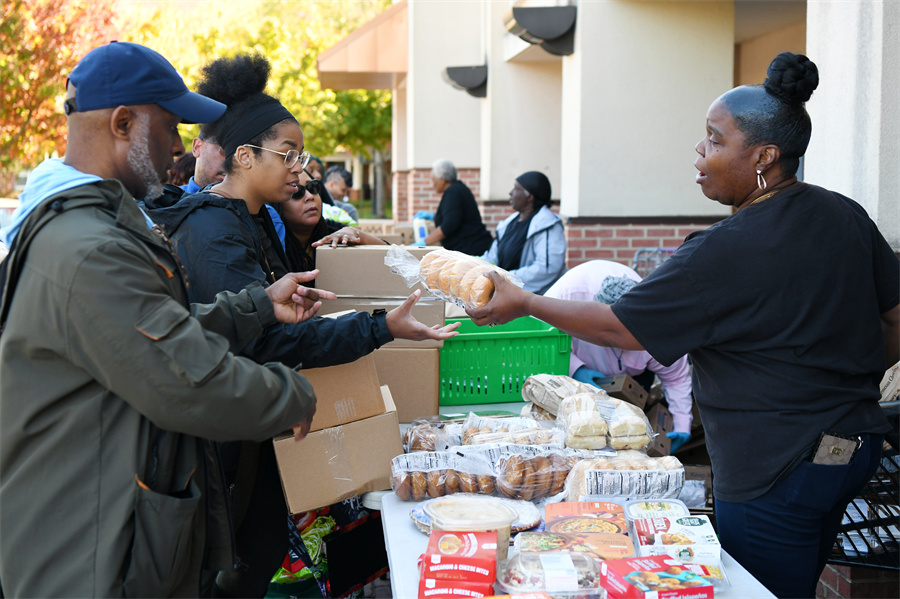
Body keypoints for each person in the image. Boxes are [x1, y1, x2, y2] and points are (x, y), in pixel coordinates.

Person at [468, 52, 899, 599]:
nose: (699, 150)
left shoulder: (723, 250)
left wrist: (527, 302)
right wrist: (848, 376)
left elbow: (623, 328)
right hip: (854, 449)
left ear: (764, 156)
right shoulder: (846, 214)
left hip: (775, 467)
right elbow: (895, 318)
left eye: (715, 139)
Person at [0, 41, 334, 598]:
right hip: (88, 553)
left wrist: (254, 306)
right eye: (170, 127)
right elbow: (185, 379)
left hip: (104, 529)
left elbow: (151, 330)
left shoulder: (91, 227)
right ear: (123, 124)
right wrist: (292, 395)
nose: (179, 146)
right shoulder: (87, 247)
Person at [143, 53, 458, 598]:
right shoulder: (213, 231)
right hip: (229, 452)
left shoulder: (247, 219)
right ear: (245, 156)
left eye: (301, 155)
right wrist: (379, 327)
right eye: (287, 154)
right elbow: (266, 343)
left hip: (255, 434)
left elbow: (271, 318)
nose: (299, 169)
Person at [545, 260, 693, 453]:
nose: (618, 340)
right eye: (612, 333)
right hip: (577, 373)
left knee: (626, 433)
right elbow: (541, 341)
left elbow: (676, 378)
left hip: (633, 378)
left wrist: (682, 424)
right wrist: (575, 368)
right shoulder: (568, 296)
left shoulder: (658, 326)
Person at [270, 167, 388, 276]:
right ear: (277, 204)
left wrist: (357, 234)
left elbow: (392, 255)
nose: (310, 196)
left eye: (313, 187)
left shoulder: (335, 233)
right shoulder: (269, 244)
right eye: (297, 192)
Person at [482, 171, 566, 294]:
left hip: (534, 299)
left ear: (529, 196)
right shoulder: (507, 224)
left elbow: (547, 268)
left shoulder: (547, 225)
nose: (511, 192)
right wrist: (473, 266)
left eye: (517, 189)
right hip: (503, 294)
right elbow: (491, 258)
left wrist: (506, 278)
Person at [418, 158, 493, 255]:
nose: (433, 184)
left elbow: (448, 226)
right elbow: (452, 214)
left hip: (472, 249)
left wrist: (423, 243)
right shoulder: (457, 189)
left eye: (434, 180)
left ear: (442, 180)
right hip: (470, 248)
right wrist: (433, 216)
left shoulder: (453, 192)